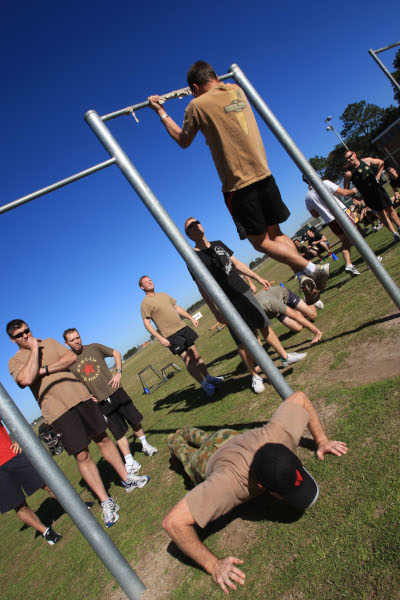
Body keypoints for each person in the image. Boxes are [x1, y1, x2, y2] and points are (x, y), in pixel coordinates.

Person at [147, 60, 330, 305]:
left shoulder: (196, 104)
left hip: (238, 185)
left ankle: (312, 269)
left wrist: (161, 112)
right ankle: (301, 273)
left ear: (194, 87)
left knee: (259, 242)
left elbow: (183, 140)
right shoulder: (237, 89)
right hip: (264, 175)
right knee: (276, 233)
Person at [164, 391, 348, 593]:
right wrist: (214, 565)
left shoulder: (280, 436)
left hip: (226, 437)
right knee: (184, 451)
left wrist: (322, 440)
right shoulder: (228, 486)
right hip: (207, 461)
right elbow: (173, 522)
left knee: (203, 436)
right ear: (261, 487)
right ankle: (174, 438)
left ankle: (187, 431)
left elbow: (300, 398)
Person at [7, 320, 149, 529]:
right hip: (57, 411)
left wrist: (44, 370)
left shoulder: (49, 342)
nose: (26, 336)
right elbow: (26, 379)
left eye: (27, 331)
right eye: (21, 335)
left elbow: (71, 357)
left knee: (103, 439)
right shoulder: (15, 361)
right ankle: (106, 501)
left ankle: (127, 478)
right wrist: (35, 350)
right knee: (82, 455)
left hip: (82, 398)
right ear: (13, 340)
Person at [184, 218, 307, 393]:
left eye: (197, 222)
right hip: (226, 302)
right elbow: (202, 289)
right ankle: (255, 376)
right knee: (243, 341)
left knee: (264, 325)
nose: (196, 225)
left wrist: (257, 277)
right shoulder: (193, 258)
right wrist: (215, 311)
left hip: (243, 291)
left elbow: (237, 264)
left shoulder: (218, 244)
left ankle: (285, 356)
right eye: (191, 226)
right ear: (188, 235)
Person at [42, 328, 157, 474]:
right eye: (72, 340)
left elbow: (116, 353)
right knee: (117, 432)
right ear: (66, 343)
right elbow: (72, 384)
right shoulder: (68, 362)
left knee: (134, 420)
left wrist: (118, 373)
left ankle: (145, 445)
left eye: (78, 337)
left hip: (116, 391)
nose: (76, 341)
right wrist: (88, 396)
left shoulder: (94, 347)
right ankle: (129, 461)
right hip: (100, 402)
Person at [139, 277, 224, 397]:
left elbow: (176, 308)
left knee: (195, 354)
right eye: (146, 282)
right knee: (188, 359)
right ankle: (205, 385)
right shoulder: (145, 303)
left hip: (183, 328)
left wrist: (191, 318)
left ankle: (209, 378)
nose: (150, 281)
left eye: (150, 280)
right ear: (142, 287)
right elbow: (146, 324)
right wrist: (161, 338)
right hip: (171, 335)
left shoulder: (163, 294)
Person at [0, 420, 62, 545]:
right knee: (18, 505)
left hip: (12, 455)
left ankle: (75, 507)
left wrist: (19, 437)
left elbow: (10, 416)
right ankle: (46, 532)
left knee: (48, 483)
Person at [303, 177, 361, 276]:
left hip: (331, 221)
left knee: (345, 242)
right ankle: (370, 261)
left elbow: (315, 215)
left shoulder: (307, 197)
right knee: (357, 236)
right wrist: (354, 191)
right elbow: (344, 193)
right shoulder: (324, 183)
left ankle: (348, 264)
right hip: (342, 214)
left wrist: (321, 207)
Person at [343, 151, 400, 242]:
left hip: (379, 190)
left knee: (390, 209)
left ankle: (399, 227)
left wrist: (378, 176)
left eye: (350, 157)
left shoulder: (366, 161)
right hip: (368, 197)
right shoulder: (349, 173)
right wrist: (355, 197)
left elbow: (381, 162)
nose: (349, 160)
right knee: (382, 215)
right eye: (347, 159)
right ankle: (395, 234)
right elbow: (345, 190)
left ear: (354, 154)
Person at [256, 285, 323, 344]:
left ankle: (308, 299)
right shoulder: (251, 313)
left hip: (284, 296)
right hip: (276, 311)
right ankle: (300, 309)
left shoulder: (270, 303)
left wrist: (316, 332)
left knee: (313, 315)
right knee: (298, 328)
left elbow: (296, 317)